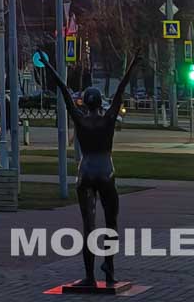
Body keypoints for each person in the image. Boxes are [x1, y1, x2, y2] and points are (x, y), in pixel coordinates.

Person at [42, 49, 143, 288]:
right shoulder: (108, 119)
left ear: (85, 103)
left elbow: (64, 91)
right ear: (100, 102)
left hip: (85, 172)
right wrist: (131, 65)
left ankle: (89, 275)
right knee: (111, 222)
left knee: (88, 224)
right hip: (105, 171)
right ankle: (108, 268)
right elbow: (120, 91)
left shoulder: (79, 119)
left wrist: (48, 64)